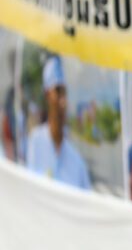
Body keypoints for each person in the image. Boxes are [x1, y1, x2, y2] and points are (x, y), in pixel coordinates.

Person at [25, 56, 90, 190]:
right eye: (58, 92)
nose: (63, 101)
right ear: (47, 95)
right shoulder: (35, 142)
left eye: (65, 93)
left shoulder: (76, 160)